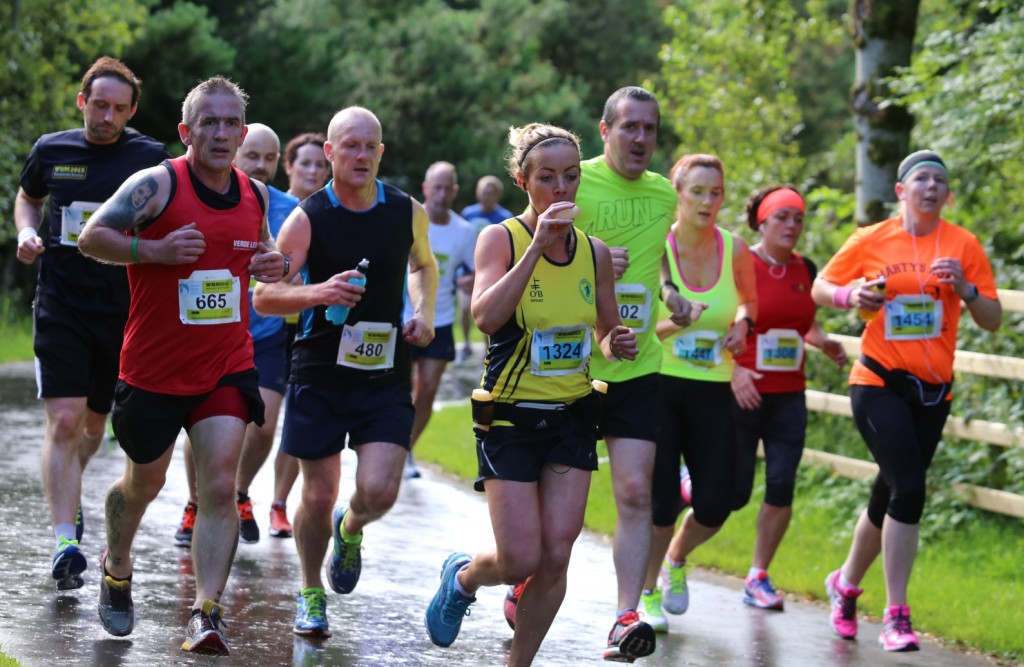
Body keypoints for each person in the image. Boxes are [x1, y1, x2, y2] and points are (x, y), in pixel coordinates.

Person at [77, 76, 287, 655]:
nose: (221, 133)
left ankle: (206, 613)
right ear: (185, 131)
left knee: (220, 483)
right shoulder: (156, 185)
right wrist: (154, 250)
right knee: (143, 483)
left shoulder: (255, 195)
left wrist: (269, 264)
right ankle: (117, 564)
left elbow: (257, 251)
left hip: (225, 363)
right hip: (152, 369)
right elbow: (93, 237)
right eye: (209, 122)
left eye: (230, 124)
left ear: (242, 133)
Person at [423, 122, 638, 666]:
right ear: (523, 180)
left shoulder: (593, 252)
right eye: (547, 178)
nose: (561, 189)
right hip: (511, 415)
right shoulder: (501, 238)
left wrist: (619, 340)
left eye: (570, 177)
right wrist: (538, 247)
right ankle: (465, 577)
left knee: (556, 557)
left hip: (571, 415)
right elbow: (487, 316)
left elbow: (606, 334)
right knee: (519, 558)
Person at [510, 85, 692, 661]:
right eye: (630, 127)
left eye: (650, 129)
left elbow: (657, 257)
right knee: (550, 513)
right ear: (607, 129)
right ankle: (523, 576)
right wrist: (589, 257)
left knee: (636, 491)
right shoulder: (569, 176)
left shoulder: (665, 194)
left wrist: (669, 291)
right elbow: (526, 237)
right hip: (569, 370)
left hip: (637, 362)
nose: (641, 138)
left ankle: (624, 615)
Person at [252, 106, 438, 640]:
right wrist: (320, 292)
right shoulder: (308, 216)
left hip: (384, 375)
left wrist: (421, 313)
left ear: (381, 152)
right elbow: (265, 296)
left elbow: (423, 265)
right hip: (319, 373)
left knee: (379, 492)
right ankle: (311, 592)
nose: (361, 155)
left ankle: (350, 528)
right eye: (349, 146)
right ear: (330, 153)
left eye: (370, 146)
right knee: (315, 494)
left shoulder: (406, 211)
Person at [811, 150, 1000, 652]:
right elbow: (819, 286)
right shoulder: (873, 239)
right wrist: (852, 298)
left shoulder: (963, 244)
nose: (932, 187)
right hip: (877, 381)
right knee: (910, 488)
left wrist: (966, 286)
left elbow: (992, 317)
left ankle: (845, 585)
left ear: (948, 193)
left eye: (941, 180)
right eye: (922, 178)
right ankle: (896, 614)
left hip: (933, 391)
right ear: (901, 190)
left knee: (891, 491)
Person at [13, 56, 169, 591]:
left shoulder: (149, 158)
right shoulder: (51, 149)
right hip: (61, 302)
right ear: (83, 101)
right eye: (99, 105)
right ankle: (64, 541)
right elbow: (28, 198)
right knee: (62, 421)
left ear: (131, 111)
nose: (107, 116)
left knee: (95, 428)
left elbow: (166, 216)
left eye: (119, 109)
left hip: (125, 310)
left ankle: (70, 495)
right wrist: (25, 233)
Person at [173, 123, 300, 546]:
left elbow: (297, 268)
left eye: (269, 158)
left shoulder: (291, 208)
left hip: (264, 335)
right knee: (203, 425)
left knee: (262, 425)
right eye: (254, 156)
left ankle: (239, 493)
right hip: (208, 333)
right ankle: (196, 502)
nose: (261, 166)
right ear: (238, 152)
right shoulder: (201, 194)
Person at [645, 154, 757, 632]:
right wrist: (675, 321)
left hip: (713, 386)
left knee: (717, 502)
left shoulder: (736, 248)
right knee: (661, 500)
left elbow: (750, 301)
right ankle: (647, 593)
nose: (708, 201)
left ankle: (677, 557)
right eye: (697, 191)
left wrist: (744, 324)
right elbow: (639, 326)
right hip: (660, 384)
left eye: (716, 193)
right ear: (678, 193)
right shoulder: (655, 249)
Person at [730, 185, 848, 611]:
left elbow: (803, 323)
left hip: (788, 395)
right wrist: (734, 369)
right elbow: (718, 322)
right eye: (783, 217)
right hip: (742, 392)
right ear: (762, 221)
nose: (792, 226)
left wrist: (825, 341)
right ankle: (675, 556)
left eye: (798, 219)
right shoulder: (740, 264)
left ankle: (758, 575)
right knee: (733, 493)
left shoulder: (806, 269)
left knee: (782, 484)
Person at [405, 161, 476, 479]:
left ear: (455, 192)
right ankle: (392, 445)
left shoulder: (463, 231)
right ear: (425, 188)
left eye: (448, 188)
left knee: (428, 390)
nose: (442, 194)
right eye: (437, 187)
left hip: (441, 319)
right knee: (399, 390)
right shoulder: (408, 219)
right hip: (403, 318)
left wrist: (470, 281)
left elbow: (476, 270)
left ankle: (406, 449)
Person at [456, 175, 513, 361]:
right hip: (467, 271)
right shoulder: (468, 213)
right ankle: (466, 345)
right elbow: (462, 243)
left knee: (486, 313)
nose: (484, 196)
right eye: (482, 192)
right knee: (465, 308)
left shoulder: (504, 218)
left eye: (489, 193)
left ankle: (487, 350)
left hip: (491, 272)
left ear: (497, 195)